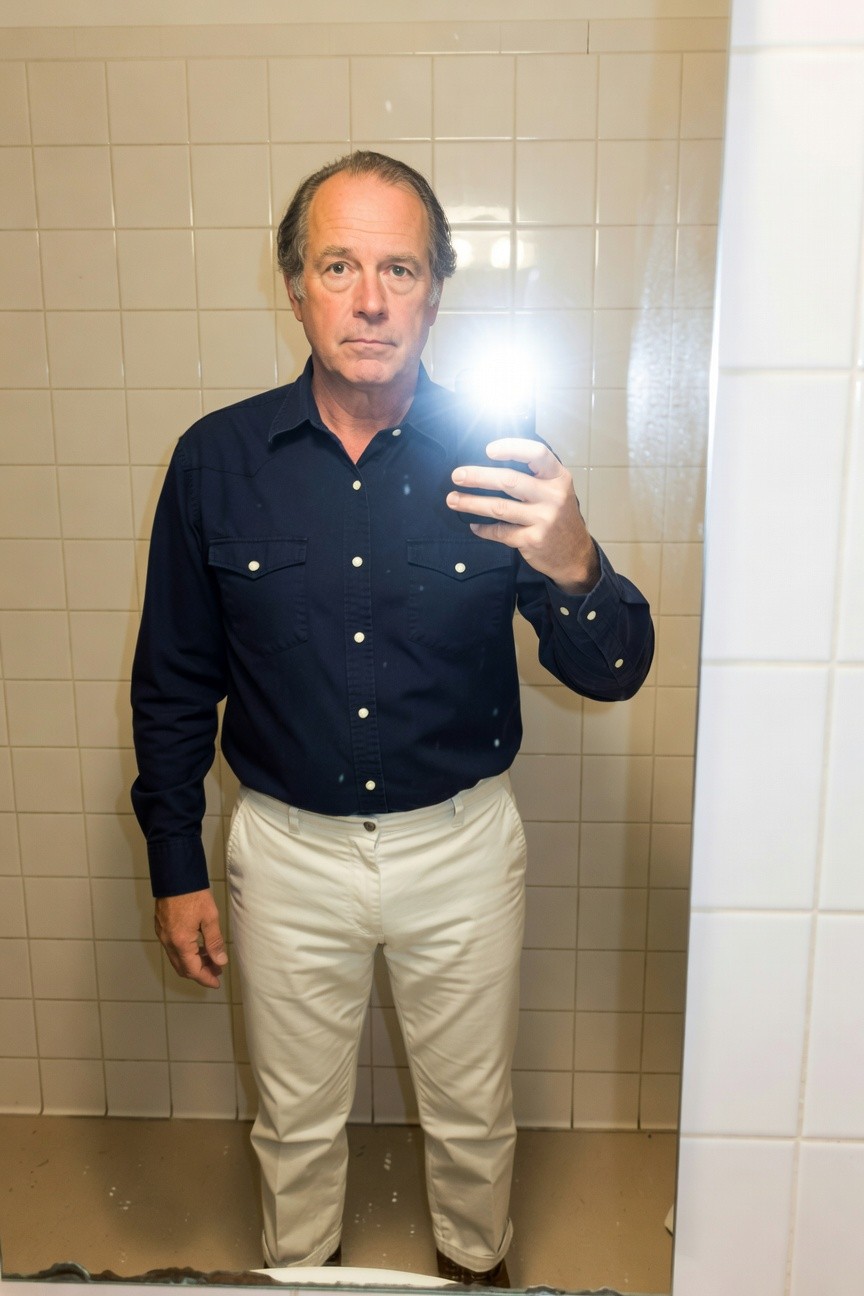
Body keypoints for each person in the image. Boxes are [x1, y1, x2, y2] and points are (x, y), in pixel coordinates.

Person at [131, 150, 654, 1286]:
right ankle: (302, 1276)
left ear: (436, 290)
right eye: (339, 265)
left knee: (474, 1122)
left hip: (461, 850)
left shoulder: (504, 458)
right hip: (285, 853)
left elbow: (618, 671)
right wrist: (177, 864)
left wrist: (577, 568)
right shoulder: (216, 462)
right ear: (296, 285)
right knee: (295, 1126)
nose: (370, 299)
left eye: (400, 268)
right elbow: (173, 679)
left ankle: (476, 1272)